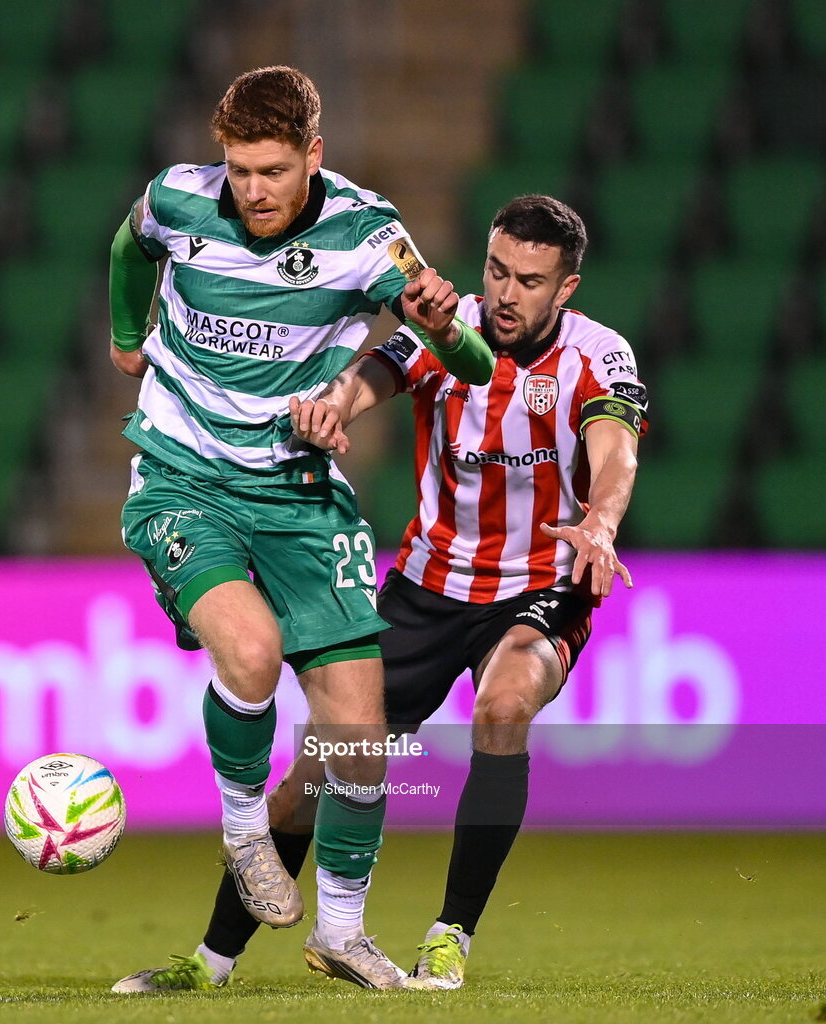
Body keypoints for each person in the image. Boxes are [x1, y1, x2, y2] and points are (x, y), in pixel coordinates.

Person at [153, 194, 648, 991]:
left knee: (504, 703)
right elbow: (371, 375)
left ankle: (450, 933)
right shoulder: (445, 334)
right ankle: (210, 959)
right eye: (496, 270)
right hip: (425, 587)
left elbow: (614, 447)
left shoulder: (599, 356)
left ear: (567, 288)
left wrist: (602, 521)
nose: (507, 292)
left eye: (530, 279)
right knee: (321, 771)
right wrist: (330, 406)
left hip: (541, 584)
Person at [106, 65, 494, 993]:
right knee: (248, 653)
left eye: (273, 170)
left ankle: (344, 935)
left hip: (299, 495)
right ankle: (246, 835)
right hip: (182, 477)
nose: (253, 191)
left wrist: (446, 328)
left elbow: (471, 363)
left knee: (357, 731)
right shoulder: (177, 199)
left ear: (313, 155)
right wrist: (129, 333)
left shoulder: (371, 236)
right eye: (239, 169)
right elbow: (129, 244)